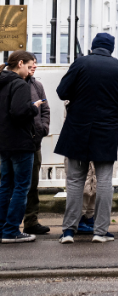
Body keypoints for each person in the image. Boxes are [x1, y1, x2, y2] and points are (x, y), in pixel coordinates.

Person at [55, 33, 118, 244]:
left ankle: (68, 231)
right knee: (105, 182)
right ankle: (100, 231)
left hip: (77, 129)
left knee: (74, 181)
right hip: (105, 130)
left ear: (93, 46)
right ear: (111, 48)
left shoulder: (80, 63)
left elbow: (62, 92)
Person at [0, 51, 44, 244]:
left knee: (5, 186)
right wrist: (34, 107)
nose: (30, 70)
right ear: (20, 64)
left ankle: (2, 228)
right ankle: (11, 231)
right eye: (28, 66)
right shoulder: (19, 84)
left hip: (4, 142)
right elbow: (18, 112)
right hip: (20, 142)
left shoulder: (2, 82)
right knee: (21, 187)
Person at [22, 57, 51, 237]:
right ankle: (7, 224)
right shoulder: (10, 83)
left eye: (35, 62)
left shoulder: (37, 85)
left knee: (32, 184)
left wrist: (43, 128)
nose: (35, 66)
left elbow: (45, 109)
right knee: (10, 184)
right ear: (21, 64)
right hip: (13, 143)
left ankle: (31, 222)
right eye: (31, 63)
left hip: (34, 142)